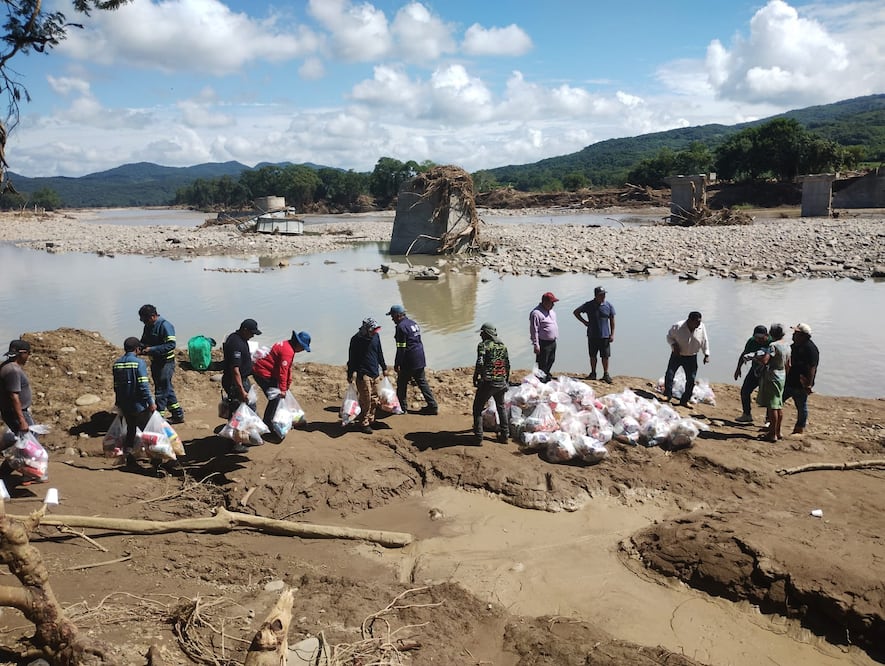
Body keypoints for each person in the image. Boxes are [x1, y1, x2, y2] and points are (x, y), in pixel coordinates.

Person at [252, 330, 311, 439]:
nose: (302, 350)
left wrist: (288, 383)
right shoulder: (287, 351)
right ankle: (268, 424)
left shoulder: (287, 346)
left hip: (267, 371)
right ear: (298, 344)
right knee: (275, 398)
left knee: (276, 399)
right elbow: (282, 371)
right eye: (303, 347)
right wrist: (283, 389)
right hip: (263, 372)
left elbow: (287, 368)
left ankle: (276, 420)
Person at [386, 304, 438, 415]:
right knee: (422, 382)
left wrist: (397, 363)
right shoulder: (413, 323)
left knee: (402, 383)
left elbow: (401, 348)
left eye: (393, 316)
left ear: (398, 315)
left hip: (409, 360)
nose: (392, 319)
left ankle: (402, 408)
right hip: (419, 357)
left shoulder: (401, 327)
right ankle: (432, 406)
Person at [112, 337, 156, 464]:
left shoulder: (117, 364)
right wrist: (150, 402)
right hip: (139, 405)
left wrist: (118, 402)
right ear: (137, 349)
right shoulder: (139, 363)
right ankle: (155, 458)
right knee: (149, 431)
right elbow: (143, 385)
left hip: (125, 405)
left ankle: (128, 456)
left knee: (131, 430)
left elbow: (116, 386)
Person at [138, 304, 184, 424]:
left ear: (153, 316)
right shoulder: (148, 326)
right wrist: (140, 348)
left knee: (161, 391)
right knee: (166, 388)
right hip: (156, 362)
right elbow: (144, 341)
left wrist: (151, 350)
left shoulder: (165, 326)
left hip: (166, 363)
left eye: (145, 320)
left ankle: (158, 418)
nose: (144, 323)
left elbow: (171, 345)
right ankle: (177, 414)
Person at [221, 319, 262, 452]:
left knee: (244, 409)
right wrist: (242, 390)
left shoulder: (235, 338)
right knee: (240, 412)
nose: (253, 336)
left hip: (238, 380)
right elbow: (235, 370)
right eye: (252, 333)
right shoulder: (236, 343)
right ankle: (237, 442)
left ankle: (240, 437)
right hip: (236, 382)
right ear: (244, 330)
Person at [346, 317, 388, 434]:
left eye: (375, 331)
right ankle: (363, 422)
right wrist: (350, 374)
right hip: (363, 373)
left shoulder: (376, 337)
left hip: (375, 372)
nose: (374, 333)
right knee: (366, 399)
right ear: (366, 330)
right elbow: (352, 358)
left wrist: (384, 367)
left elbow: (379, 352)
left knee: (375, 398)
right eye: (372, 331)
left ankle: (371, 419)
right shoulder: (356, 340)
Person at [472, 323, 511, 445]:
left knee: (477, 408)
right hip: (501, 381)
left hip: (489, 382)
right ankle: (505, 435)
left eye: (482, 332)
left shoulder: (483, 345)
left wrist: (476, 376)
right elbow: (507, 364)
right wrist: (506, 380)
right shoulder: (502, 346)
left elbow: (480, 363)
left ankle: (478, 437)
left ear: (486, 334)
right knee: (501, 406)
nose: (480, 334)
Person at [663, 311, 710, 407]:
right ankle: (667, 395)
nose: (698, 324)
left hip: (691, 356)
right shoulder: (678, 326)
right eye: (696, 322)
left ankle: (684, 400)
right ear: (689, 320)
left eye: (699, 322)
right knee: (670, 374)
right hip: (677, 355)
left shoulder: (701, 327)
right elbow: (669, 337)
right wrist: (674, 345)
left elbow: (704, 340)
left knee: (691, 379)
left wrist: (706, 354)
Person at [755, 324, 791, 442]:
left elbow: (765, 360)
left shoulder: (773, 346)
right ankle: (778, 431)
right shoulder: (787, 345)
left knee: (772, 406)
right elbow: (788, 365)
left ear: (771, 334)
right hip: (782, 375)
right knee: (779, 404)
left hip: (772, 376)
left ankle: (772, 434)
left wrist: (755, 358)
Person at [573, 286, 616, 383]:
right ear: (596, 295)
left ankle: (606, 374)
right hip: (592, 335)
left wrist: (612, 334)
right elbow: (576, 312)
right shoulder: (589, 305)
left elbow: (612, 320)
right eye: (601, 295)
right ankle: (593, 373)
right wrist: (584, 322)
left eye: (604, 294)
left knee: (605, 356)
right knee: (593, 355)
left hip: (605, 335)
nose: (603, 296)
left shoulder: (608, 305)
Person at [784, 323, 819, 435]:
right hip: (789, 380)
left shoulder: (810, 349)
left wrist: (808, 384)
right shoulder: (794, 346)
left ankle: (799, 428)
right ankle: (770, 422)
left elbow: (812, 367)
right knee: (777, 401)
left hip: (801, 383)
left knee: (801, 405)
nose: (793, 335)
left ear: (804, 336)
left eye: (796, 333)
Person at [733, 325, 771, 423]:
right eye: (756, 338)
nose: (758, 340)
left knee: (769, 396)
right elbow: (744, 354)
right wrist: (738, 368)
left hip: (768, 372)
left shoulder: (772, 342)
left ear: (766, 335)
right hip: (755, 370)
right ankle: (746, 414)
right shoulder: (752, 341)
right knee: (745, 391)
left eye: (761, 338)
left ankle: (769, 420)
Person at [1, 340, 35, 446]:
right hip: (15, 413)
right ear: (22, 353)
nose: (28, 357)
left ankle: (17, 459)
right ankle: (20, 461)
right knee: (28, 439)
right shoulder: (13, 370)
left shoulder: (6, 366)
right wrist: (22, 420)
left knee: (25, 439)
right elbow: (13, 396)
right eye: (28, 353)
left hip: (11, 412)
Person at [529, 292, 559, 382]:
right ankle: (540, 379)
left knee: (551, 360)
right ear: (545, 302)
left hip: (552, 341)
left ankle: (546, 375)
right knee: (542, 362)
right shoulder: (536, 313)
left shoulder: (552, 312)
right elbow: (534, 330)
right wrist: (536, 344)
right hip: (543, 342)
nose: (553, 304)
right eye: (551, 302)